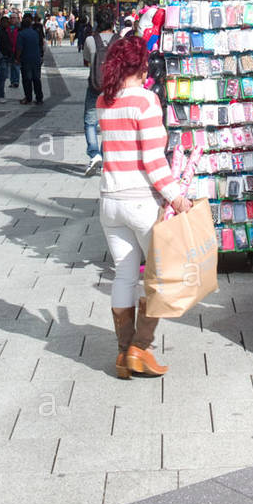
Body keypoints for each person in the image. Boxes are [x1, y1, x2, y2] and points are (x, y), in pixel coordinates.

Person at [98, 34, 190, 378]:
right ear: (142, 64)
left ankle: (123, 353)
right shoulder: (146, 101)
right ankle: (141, 347)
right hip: (141, 202)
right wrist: (177, 198)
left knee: (124, 274)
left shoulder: (104, 101)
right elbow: (154, 161)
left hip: (110, 201)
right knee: (163, 275)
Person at [83, 8, 117, 178]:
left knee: (90, 122)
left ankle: (94, 154)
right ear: (113, 22)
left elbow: (86, 61)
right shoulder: (120, 40)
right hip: (115, 88)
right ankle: (105, 158)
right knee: (109, 123)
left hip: (95, 85)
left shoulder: (90, 39)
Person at [16, 14, 43, 104]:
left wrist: (17, 58)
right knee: (36, 78)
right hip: (36, 58)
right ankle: (39, 98)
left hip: (26, 59)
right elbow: (40, 43)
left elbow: (19, 48)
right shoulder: (35, 33)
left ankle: (28, 97)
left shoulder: (21, 34)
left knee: (27, 79)